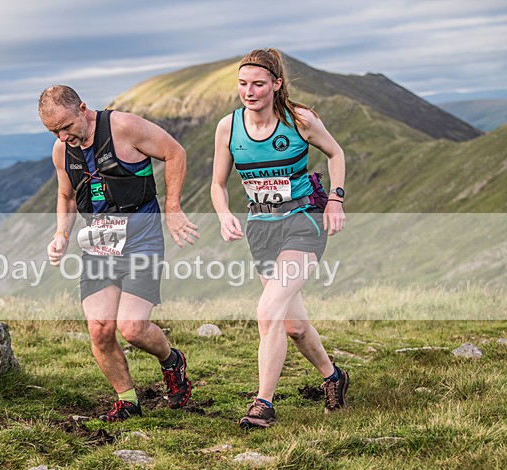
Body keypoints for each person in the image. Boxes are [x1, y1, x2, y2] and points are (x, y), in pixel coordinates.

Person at [39, 85, 200, 421]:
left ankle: (171, 360)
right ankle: (127, 400)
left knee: (133, 328)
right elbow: (67, 195)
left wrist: (173, 209)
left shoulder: (124, 127)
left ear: (83, 109)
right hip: (99, 243)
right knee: (100, 329)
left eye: (66, 126)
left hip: (142, 239)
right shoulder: (61, 149)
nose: (63, 137)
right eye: (53, 131)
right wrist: (61, 234)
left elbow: (175, 153)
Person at [210, 49, 349, 428]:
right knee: (293, 325)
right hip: (261, 228)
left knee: (268, 310)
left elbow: (335, 153)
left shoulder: (300, 120)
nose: (249, 92)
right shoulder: (228, 127)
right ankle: (333, 377)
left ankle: (263, 404)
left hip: (303, 221)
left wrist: (335, 199)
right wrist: (224, 215)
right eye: (243, 84)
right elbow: (218, 184)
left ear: (276, 84)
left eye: (258, 84)